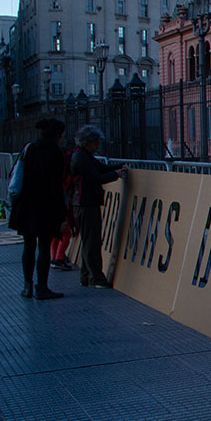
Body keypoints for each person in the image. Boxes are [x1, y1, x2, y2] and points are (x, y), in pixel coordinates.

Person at [8, 118, 70, 299]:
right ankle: (42, 287)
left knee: (28, 246)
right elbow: (56, 187)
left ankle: (27, 286)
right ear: (57, 135)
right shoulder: (56, 153)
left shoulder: (30, 148)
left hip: (26, 205)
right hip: (45, 206)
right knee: (43, 246)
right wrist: (61, 215)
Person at [70, 125, 127, 289]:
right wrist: (116, 174)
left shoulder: (83, 156)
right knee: (92, 242)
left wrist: (117, 167)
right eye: (96, 143)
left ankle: (86, 276)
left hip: (85, 203)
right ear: (88, 143)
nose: (97, 146)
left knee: (89, 241)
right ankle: (96, 278)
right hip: (85, 203)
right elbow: (95, 177)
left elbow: (101, 168)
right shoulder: (81, 158)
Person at [50, 137, 77, 271]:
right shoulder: (65, 177)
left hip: (51, 205)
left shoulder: (52, 173)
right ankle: (59, 258)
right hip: (62, 207)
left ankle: (54, 257)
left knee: (56, 233)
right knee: (65, 233)